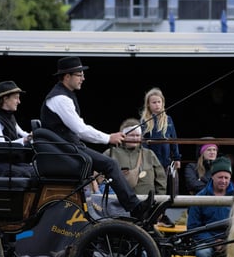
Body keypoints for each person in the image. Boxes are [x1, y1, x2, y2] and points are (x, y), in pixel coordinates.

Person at [39, 56, 154, 222]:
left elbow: (79, 129)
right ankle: (135, 208)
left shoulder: (65, 96)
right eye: (79, 75)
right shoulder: (60, 99)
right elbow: (80, 129)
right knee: (110, 163)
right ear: (67, 77)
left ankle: (127, 207)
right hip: (65, 151)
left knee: (108, 164)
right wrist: (108, 138)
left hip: (67, 148)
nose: (83, 78)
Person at [187, 156, 234, 257]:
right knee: (202, 254)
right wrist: (213, 241)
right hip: (207, 239)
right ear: (212, 177)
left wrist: (226, 240)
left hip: (231, 239)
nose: (223, 181)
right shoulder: (200, 197)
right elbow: (193, 226)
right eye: (220, 177)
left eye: (226, 178)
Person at [0, 80, 34, 177]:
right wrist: (25, 140)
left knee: (36, 171)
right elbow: (1, 146)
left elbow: (22, 133)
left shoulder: (10, 116)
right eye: (16, 98)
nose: (19, 101)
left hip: (10, 163)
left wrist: (34, 135)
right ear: (5, 99)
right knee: (23, 174)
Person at [104, 118, 166, 196]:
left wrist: (160, 198)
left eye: (137, 135)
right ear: (123, 135)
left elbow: (161, 178)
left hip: (146, 201)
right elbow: (99, 178)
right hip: (117, 202)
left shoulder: (149, 154)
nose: (135, 138)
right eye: (131, 135)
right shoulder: (110, 153)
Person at [140, 87, 181, 177]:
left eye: (159, 102)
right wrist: (146, 160)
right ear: (148, 104)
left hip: (165, 160)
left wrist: (177, 158)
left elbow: (174, 139)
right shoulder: (145, 120)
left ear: (163, 103)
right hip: (150, 162)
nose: (157, 105)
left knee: (164, 184)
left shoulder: (168, 119)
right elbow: (143, 142)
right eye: (154, 102)